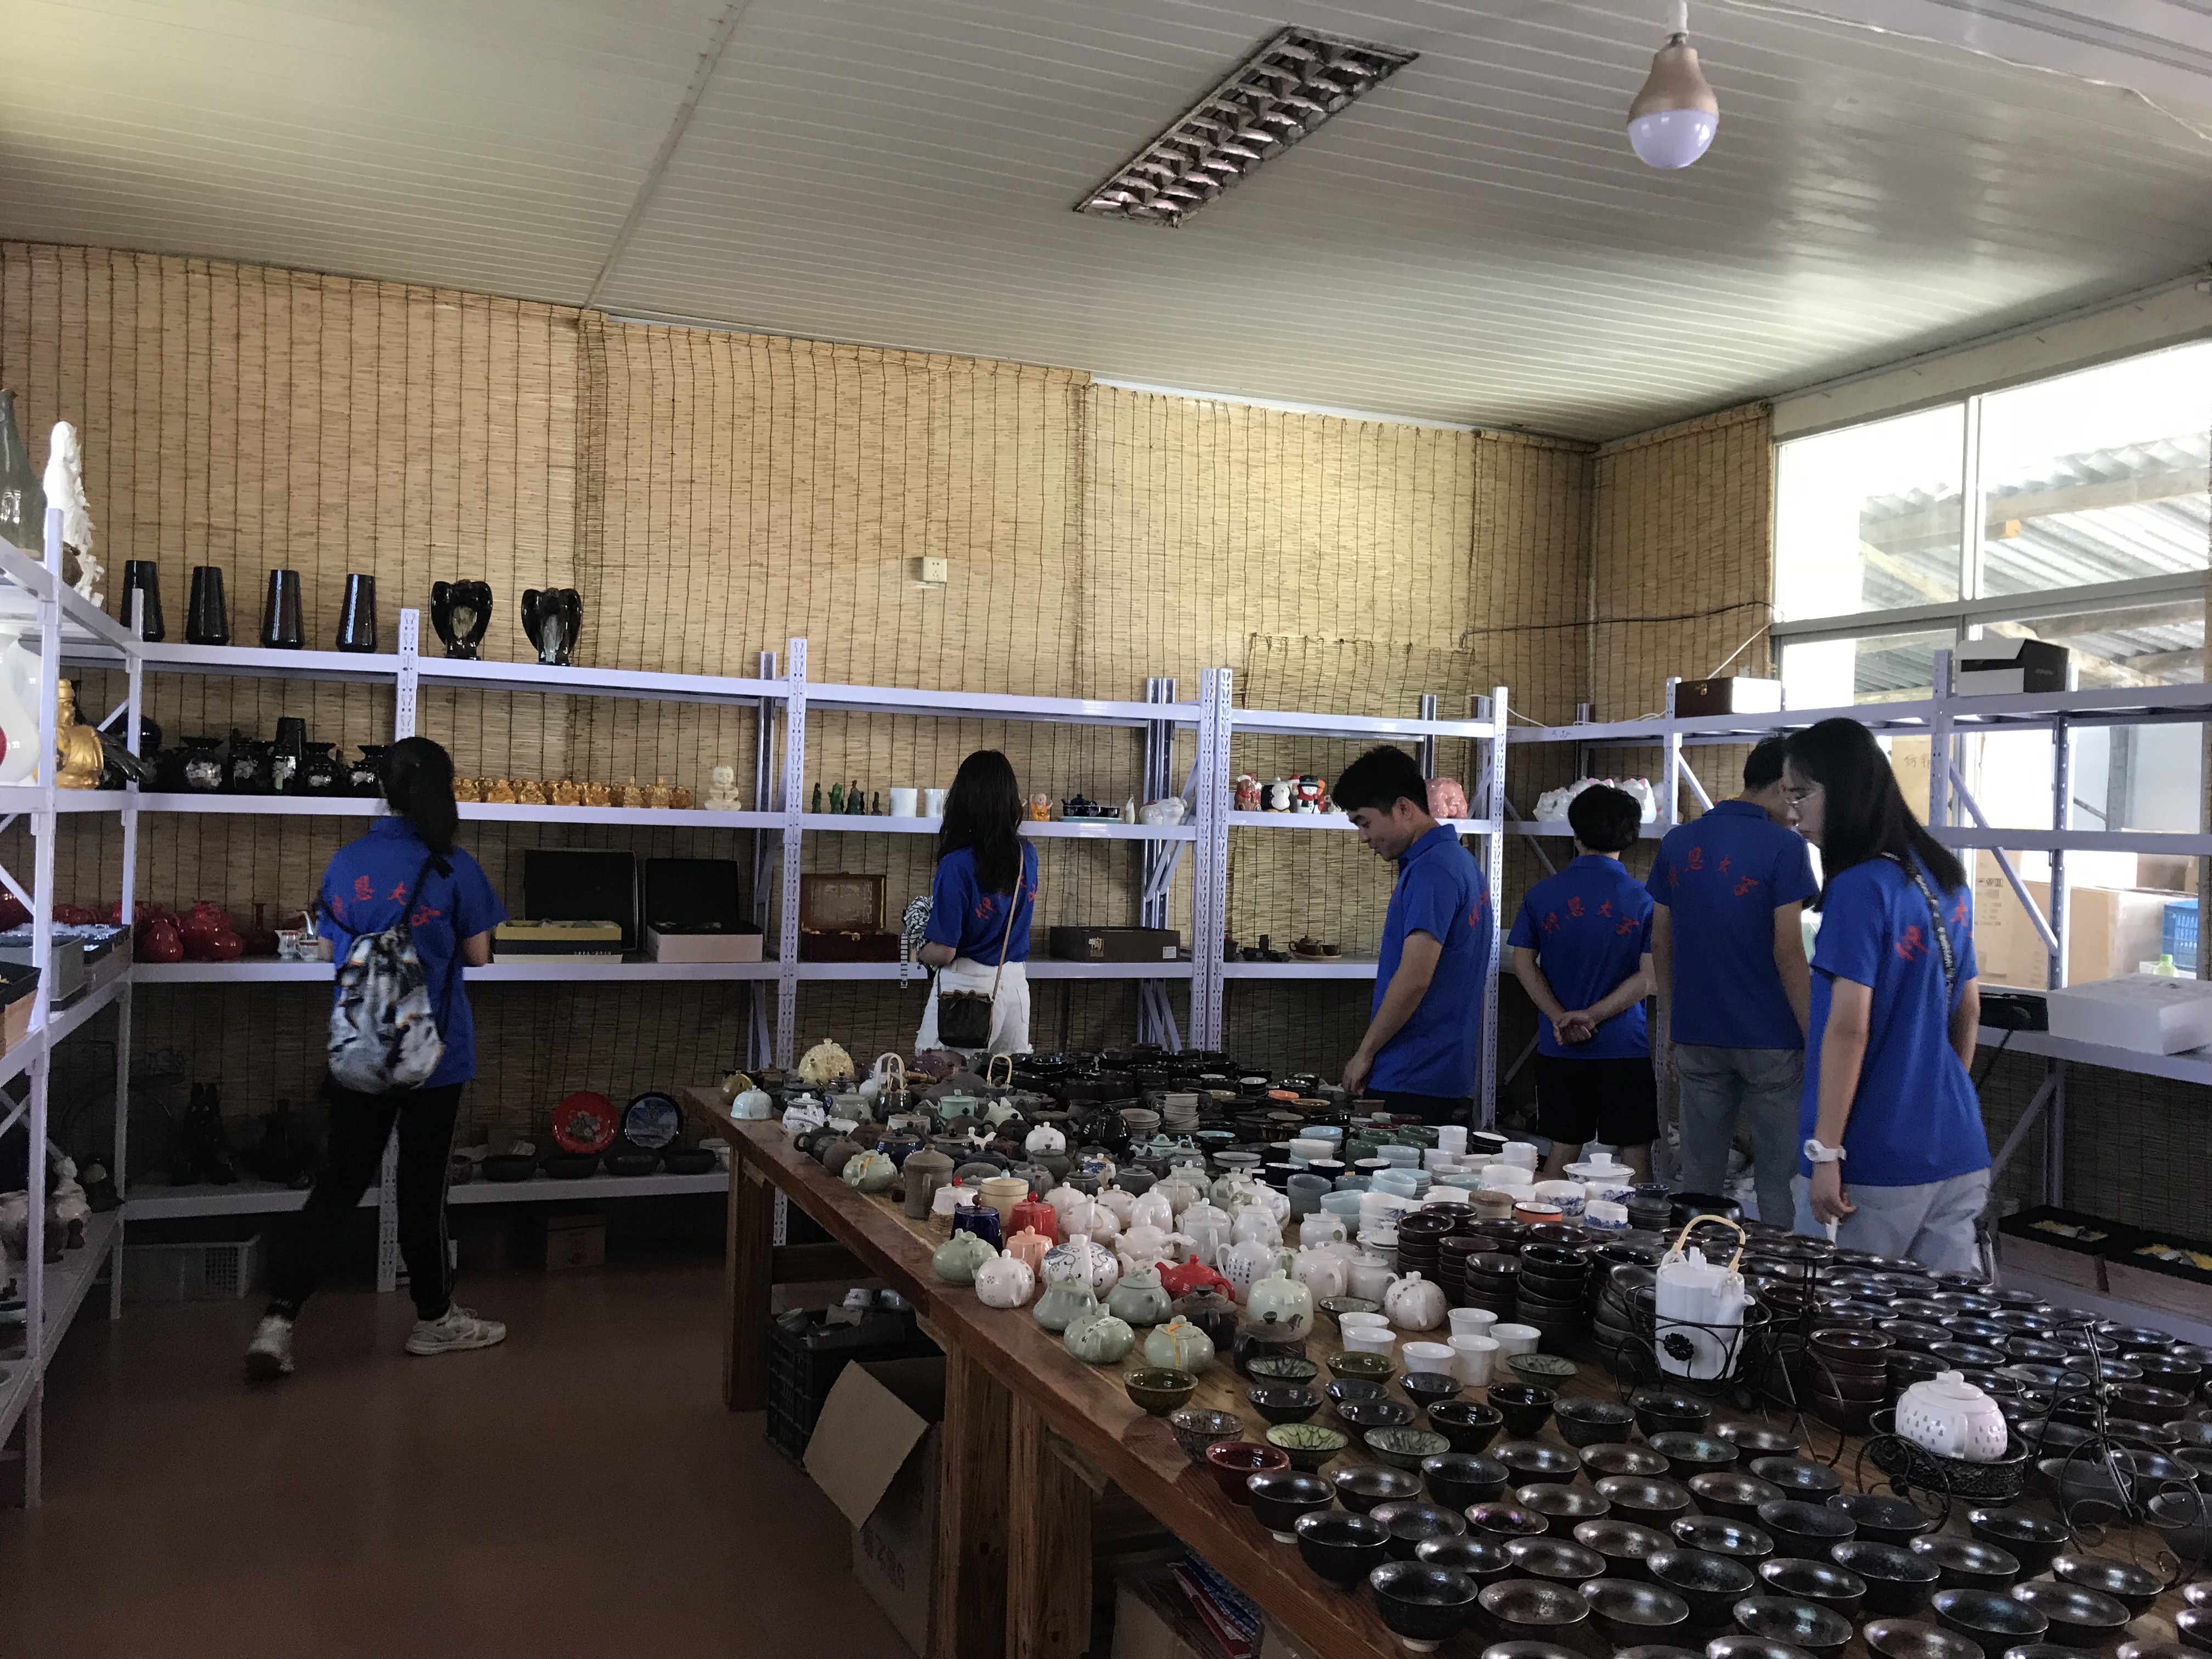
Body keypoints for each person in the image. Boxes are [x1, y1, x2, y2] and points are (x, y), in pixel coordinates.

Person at [246, 736, 509, 1379]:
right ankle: (435, 1319)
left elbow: (330, 948)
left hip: (359, 1050)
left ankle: (278, 1321)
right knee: (423, 1189)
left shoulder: (347, 863)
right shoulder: (454, 866)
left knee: (339, 1184)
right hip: (434, 1055)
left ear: (383, 789)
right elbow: (478, 956)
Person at [1785, 718, 1988, 1270]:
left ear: (1845, 789)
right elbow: (1969, 1010)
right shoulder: (1945, 878)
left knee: (1839, 1314)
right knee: (1937, 1318)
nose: (1792, 813)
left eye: (1801, 794)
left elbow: (1849, 1028)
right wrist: (1931, 1099)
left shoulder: (1859, 887)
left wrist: (1826, 1151)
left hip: (1872, 1160)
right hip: (1956, 1147)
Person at [1648, 735, 1817, 1223]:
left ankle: (1692, 1259)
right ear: (1782, 785)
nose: (1799, 809)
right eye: (1797, 794)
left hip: (1698, 1033)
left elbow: (1661, 941)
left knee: (1699, 1175)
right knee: (1778, 1179)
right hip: (1772, 1038)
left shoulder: (1678, 842)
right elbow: (1788, 952)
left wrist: (1673, 1025)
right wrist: (1815, 1036)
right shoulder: (1786, 848)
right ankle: (1778, 1266)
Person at [1335, 745, 1492, 1125]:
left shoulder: (1432, 870)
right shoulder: (1459, 861)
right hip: (1440, 1068)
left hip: (1413, 1072)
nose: (1363, 837)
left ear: (1404, 808)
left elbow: (1415, 978)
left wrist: (1365, 1053)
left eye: (1365, 822)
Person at [1508, 785, 1657, 1180]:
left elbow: (1523, 961)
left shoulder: (1542, 895)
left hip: (1560, 1046)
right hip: (1623, 1047)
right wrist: (1593, 1016)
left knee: (1560, 1155)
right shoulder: (1644, 900)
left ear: (1575, 833)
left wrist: (1560, 1017)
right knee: (1636, 1159)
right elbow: (1651, 978)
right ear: (1631, 836)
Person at [916, 749, 1037, 1058]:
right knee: (1006, 1082)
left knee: (938, 1079)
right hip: (1015, 986)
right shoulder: (1026, 855)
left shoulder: (956, 865)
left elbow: (944, 951)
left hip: (965, 992)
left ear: (963, 801)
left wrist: (918, 952)